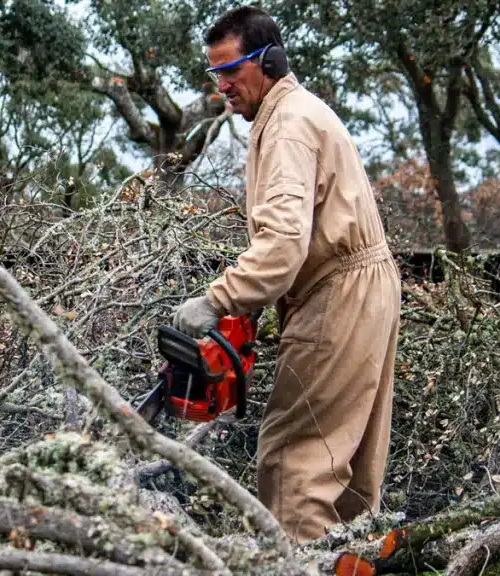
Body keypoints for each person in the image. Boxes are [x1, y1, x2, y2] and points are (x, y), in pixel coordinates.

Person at [171, 5, 402, 544]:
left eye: (232, 70)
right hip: (361, 286)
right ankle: (343, 558)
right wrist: (249, 311)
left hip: (337, 292)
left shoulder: (288, 126)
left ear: (269, 60)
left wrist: (218, 300)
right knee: (347, 471)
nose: (222, 85)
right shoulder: (292, 115)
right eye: (215, 73)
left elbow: (281, 247)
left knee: (294, 460)